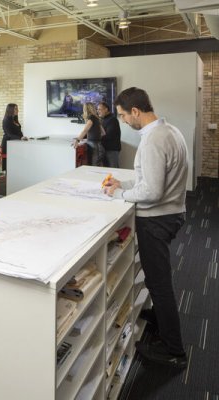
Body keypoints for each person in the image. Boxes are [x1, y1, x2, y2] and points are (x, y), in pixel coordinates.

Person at [104, 87, 188, 369]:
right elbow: (150, 179)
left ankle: (173, 350)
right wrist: (124, 184)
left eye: (123, 115)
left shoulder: (153, 140)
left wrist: (119, 195)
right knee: (155, 278)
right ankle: (161, 319)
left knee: (159, 283)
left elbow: (152, 191)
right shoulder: (169, 131)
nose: (123, 120)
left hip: (157, 219)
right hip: (172, 213)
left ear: (135, 111)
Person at [73, 102, 105, 166]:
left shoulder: (91, 118)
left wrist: (77, 140)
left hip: (94, 146)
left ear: (86, 109)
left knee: (94, 167)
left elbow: (85, 130)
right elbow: (103, 133)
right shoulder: (96, 118)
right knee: (97, 166)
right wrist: (90, 138)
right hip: (98, 146)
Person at [1, 103, 27, 170]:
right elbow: (9, 134)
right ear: (10, 110)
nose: (18, 110)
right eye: (15, 109)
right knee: (13, 163)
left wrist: (23, 137)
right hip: (8, 145)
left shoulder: (14, 119)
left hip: (14, 144)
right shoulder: (6, 120)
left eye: (17, 108)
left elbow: (18, 131)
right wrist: (20, 138)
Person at [98, 102, 122, 168]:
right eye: (97, 109)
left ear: (106, 109)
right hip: (105, 149)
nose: (98, 111)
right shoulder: (102, 119)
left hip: (112, 150)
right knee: (107, 170)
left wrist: (96, 138)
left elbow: (109, 135)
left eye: (100, 109)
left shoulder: (112, 120)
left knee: (113, 170)